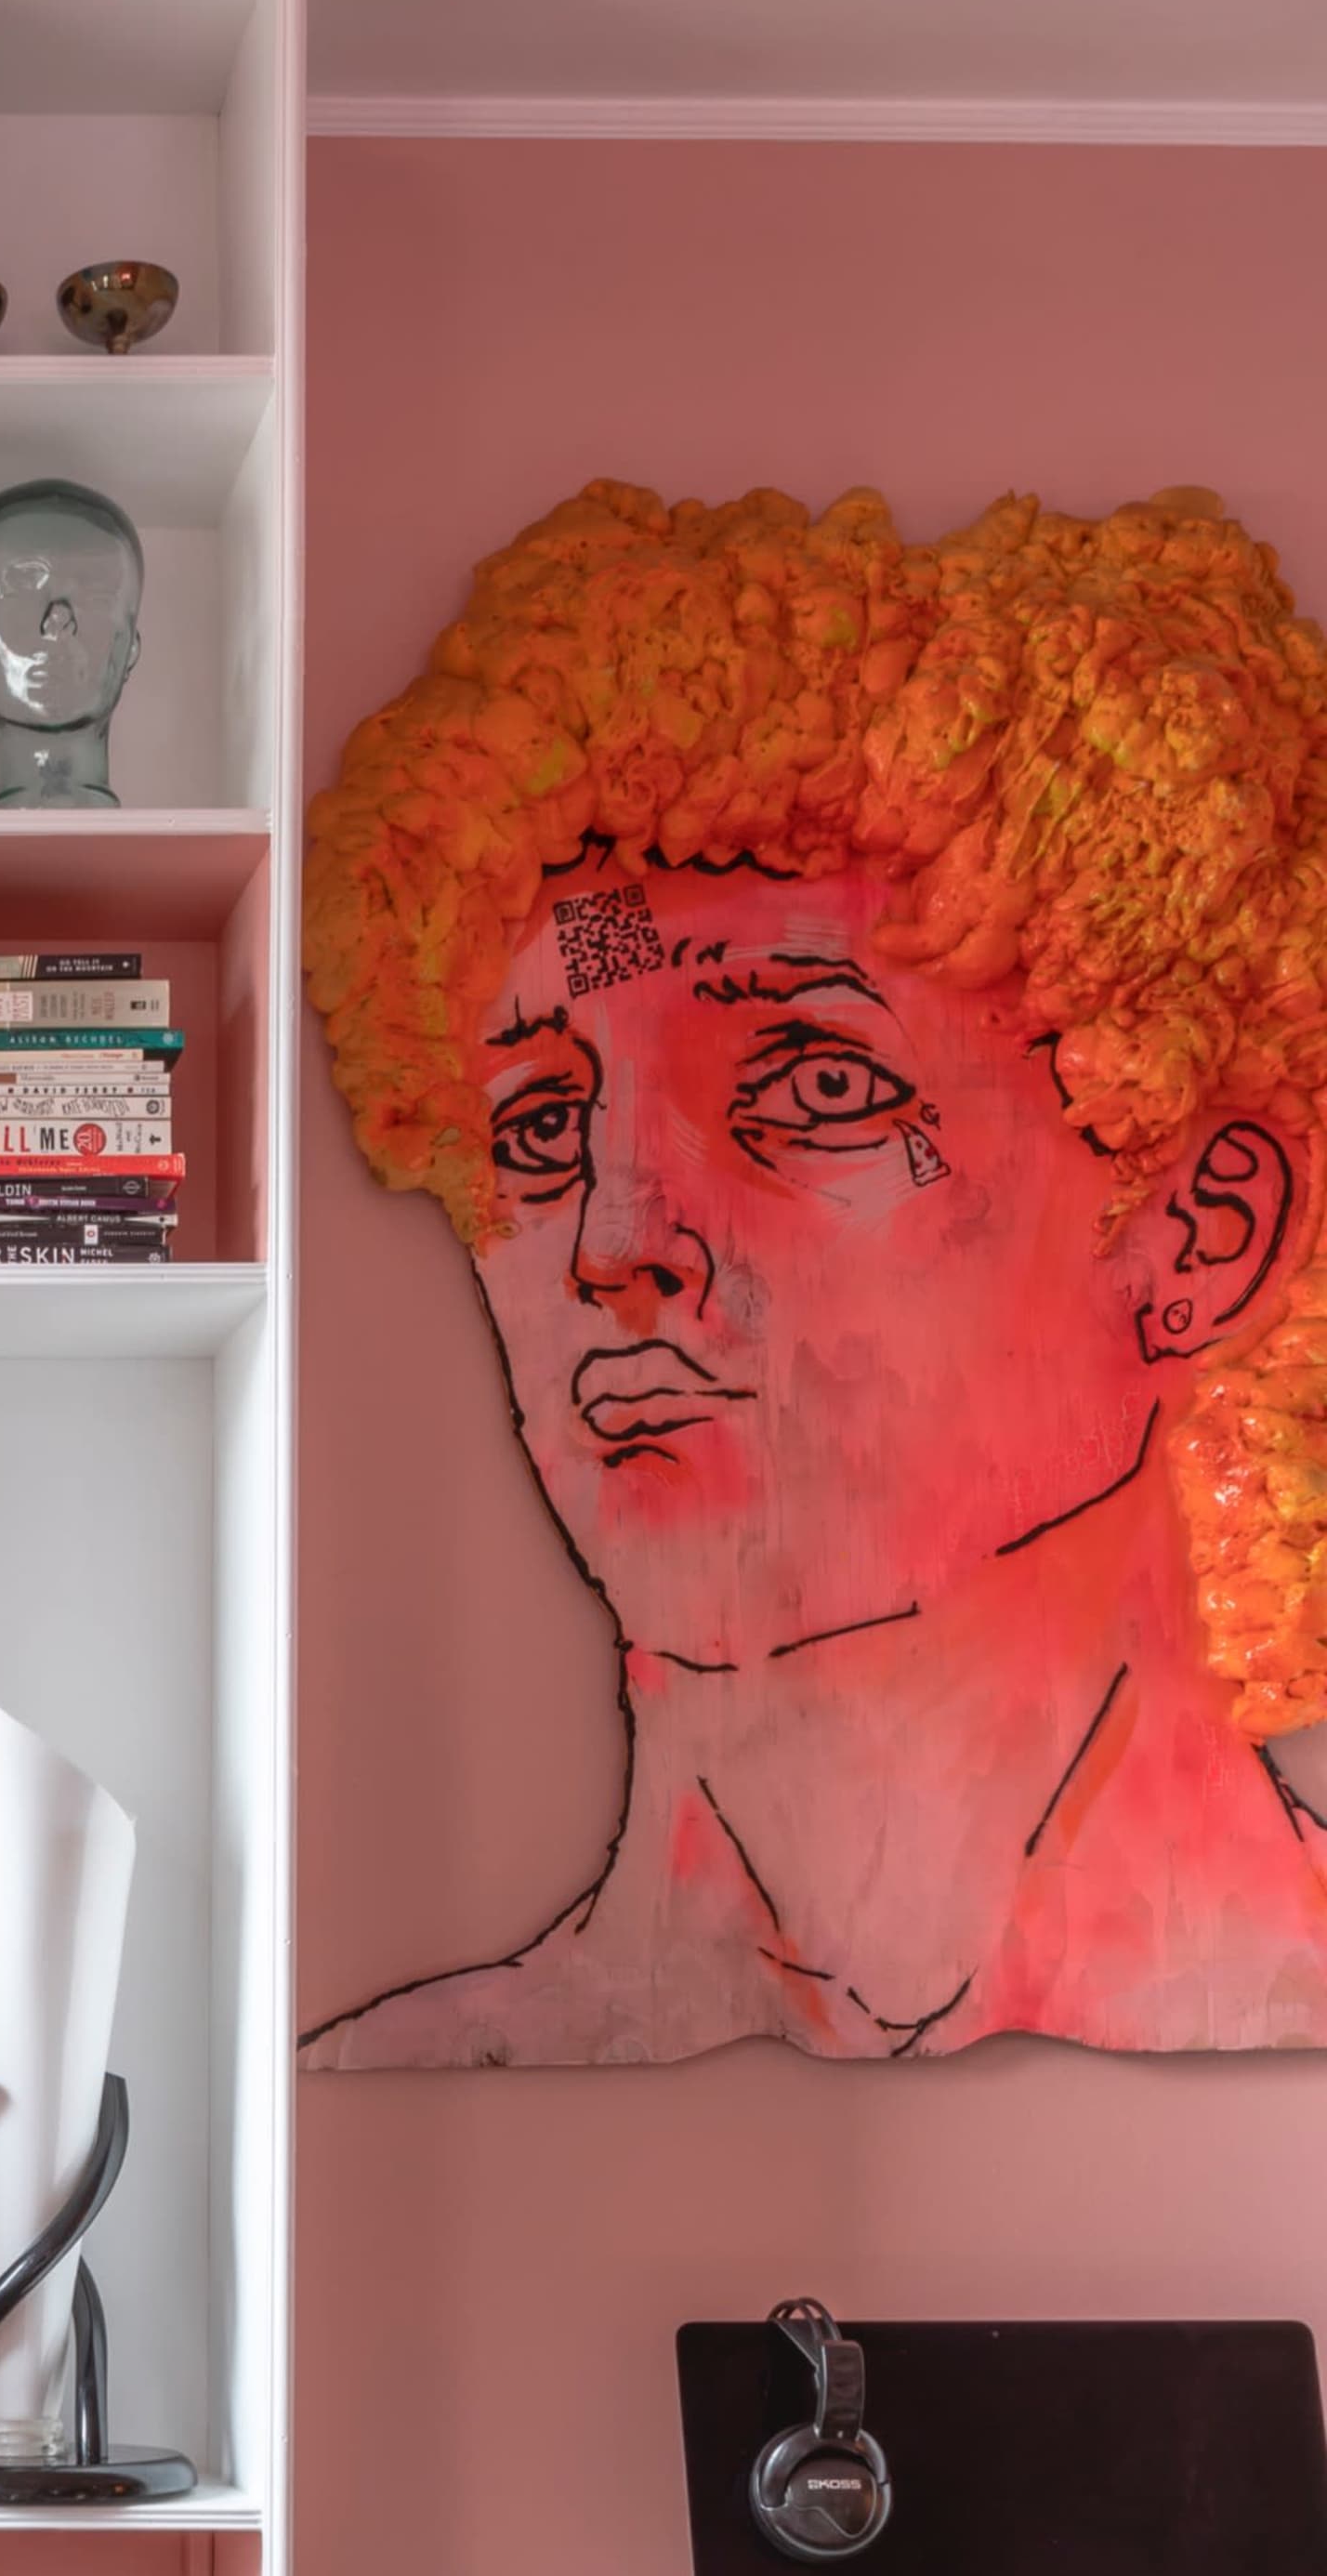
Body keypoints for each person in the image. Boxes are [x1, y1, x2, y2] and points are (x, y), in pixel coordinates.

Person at [302, 478, 1327, 2062]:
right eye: (542, 1123)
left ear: (1202, 1236)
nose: (617, 1240)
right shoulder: (413, 2078)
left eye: (823, 1087)